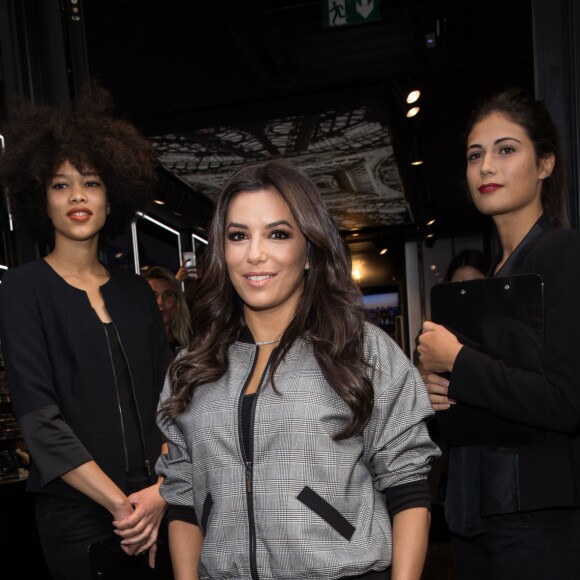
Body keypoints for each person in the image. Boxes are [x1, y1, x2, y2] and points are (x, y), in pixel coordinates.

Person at [155, 159, 440, 580]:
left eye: (278, 233)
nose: (254, 254)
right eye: (238, 236)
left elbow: (408, 484)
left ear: (309, 249)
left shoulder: (360, 350)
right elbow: (182, 498)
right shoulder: (192, 367)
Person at [0, 83, 173, 579]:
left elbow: (170, 405)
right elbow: (40, 423)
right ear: (42, 199)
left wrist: (159, 493)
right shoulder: (22, 289)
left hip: (156, 505)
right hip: (78, 515)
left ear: (111, 196)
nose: (77, 195)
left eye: (91, 182)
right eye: (60, 184)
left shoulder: (137, 293)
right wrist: (123, 506)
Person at [417, 88, 580, 580]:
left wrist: (459, 361)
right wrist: (439, 394)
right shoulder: (497, 276)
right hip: (474, 518)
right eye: (475, 155)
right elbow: (490, 404)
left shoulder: (561, 252)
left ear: (545, 164)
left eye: (506, 150)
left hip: (535, 520)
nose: (487, 166)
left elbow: (564, 400)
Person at [144, 265, 192, 353]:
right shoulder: (137, 346)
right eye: (153, 295)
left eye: (167, 294)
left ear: (177, 301)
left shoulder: (189, 343)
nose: (160, 302)